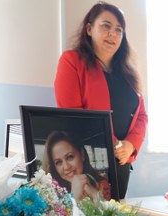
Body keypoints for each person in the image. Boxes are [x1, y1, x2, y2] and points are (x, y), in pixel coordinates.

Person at [54, 2, 147, 199]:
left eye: (119, 30)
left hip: (121, 164)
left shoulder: (129, 73)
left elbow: (142, 116)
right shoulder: (72, 61)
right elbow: (73, 115)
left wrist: (130, 145)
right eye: (106, 26)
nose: (112, 34)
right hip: (90, 163)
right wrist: (114, 145)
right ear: (89, 29)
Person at [42, 130, 111, 201]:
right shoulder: (51, 195)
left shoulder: (101, 185)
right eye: (58, 162)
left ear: (82, 154)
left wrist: (94, 194)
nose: (66, 167)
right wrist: (74, 197)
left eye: (70, 157)